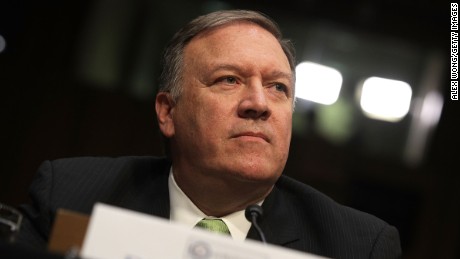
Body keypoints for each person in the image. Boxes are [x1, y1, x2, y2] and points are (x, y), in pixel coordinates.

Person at [17, 10, 401, 258]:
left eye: (278, 87)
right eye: (229, 80)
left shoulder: (356, 246)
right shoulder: (70, 194)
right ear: (168, 112)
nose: (258, 103)